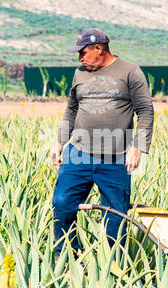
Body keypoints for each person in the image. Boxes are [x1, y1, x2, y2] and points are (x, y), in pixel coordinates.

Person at [49, 28, 154, 255]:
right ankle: (67, 260)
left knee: (115, 215)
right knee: (62, 203)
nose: (80, 58)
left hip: (116, 158)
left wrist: (138, 146)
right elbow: (71, 109)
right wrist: (59, 141)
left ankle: (113, 266)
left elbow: (145, 111)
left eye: (83, 52)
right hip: (78, 153)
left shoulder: (130, 72)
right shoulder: (80, 74)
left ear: (99, 48)